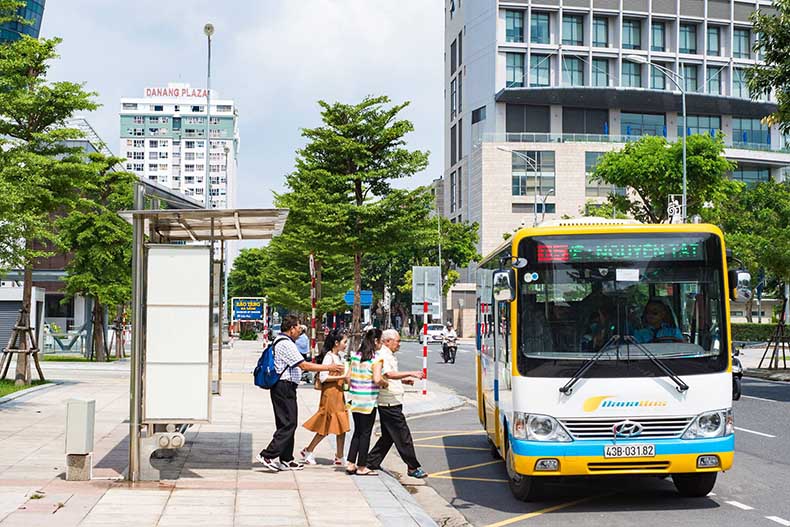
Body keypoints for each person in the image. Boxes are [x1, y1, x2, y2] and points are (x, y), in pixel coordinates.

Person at [257, 315, 344, 472]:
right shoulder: (286, 344)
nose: (300, 332)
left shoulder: (282, 341)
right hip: (284, 387)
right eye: (298, 328)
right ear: (291, 329)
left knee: (287, 423)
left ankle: (286, 459)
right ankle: (267, 455)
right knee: (289, 424)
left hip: (285, 387)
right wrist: (328, 368)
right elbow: (303, 365)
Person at [366, 329, 427, 478]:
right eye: (397, 341)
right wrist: (411, 373)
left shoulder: (388, 355)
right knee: (403, 435)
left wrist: (403, 379)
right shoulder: (383, 355)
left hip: (392, 400)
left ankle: (371, 461)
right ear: (387, 341)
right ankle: (412, 467)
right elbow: (388, 374)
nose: (399, 344)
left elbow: (390, 375)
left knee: (388, 436)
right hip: (389, 402)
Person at [300, 330, 351, 466]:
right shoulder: (329, 357)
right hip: (330, 395)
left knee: (342, 426)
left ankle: (339, 456)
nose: (346, 344)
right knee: (325, 427)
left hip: (338, 395)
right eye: (344, 342)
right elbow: (323, 378)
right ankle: (309, 450)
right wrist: (342, 377)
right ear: (336, 343)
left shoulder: (338, 357)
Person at [346, 328, 387, 476]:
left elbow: (348, 378)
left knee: (357, 431)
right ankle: (362, 466)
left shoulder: (356, 356)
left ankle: (351, 463)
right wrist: (384, 383)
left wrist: (356, 386)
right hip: (368, 401)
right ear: (375, 341)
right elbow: (377, 379)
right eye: (381, 341)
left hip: (355, 399)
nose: (381, 344)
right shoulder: (376, 359)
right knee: (365, 433)